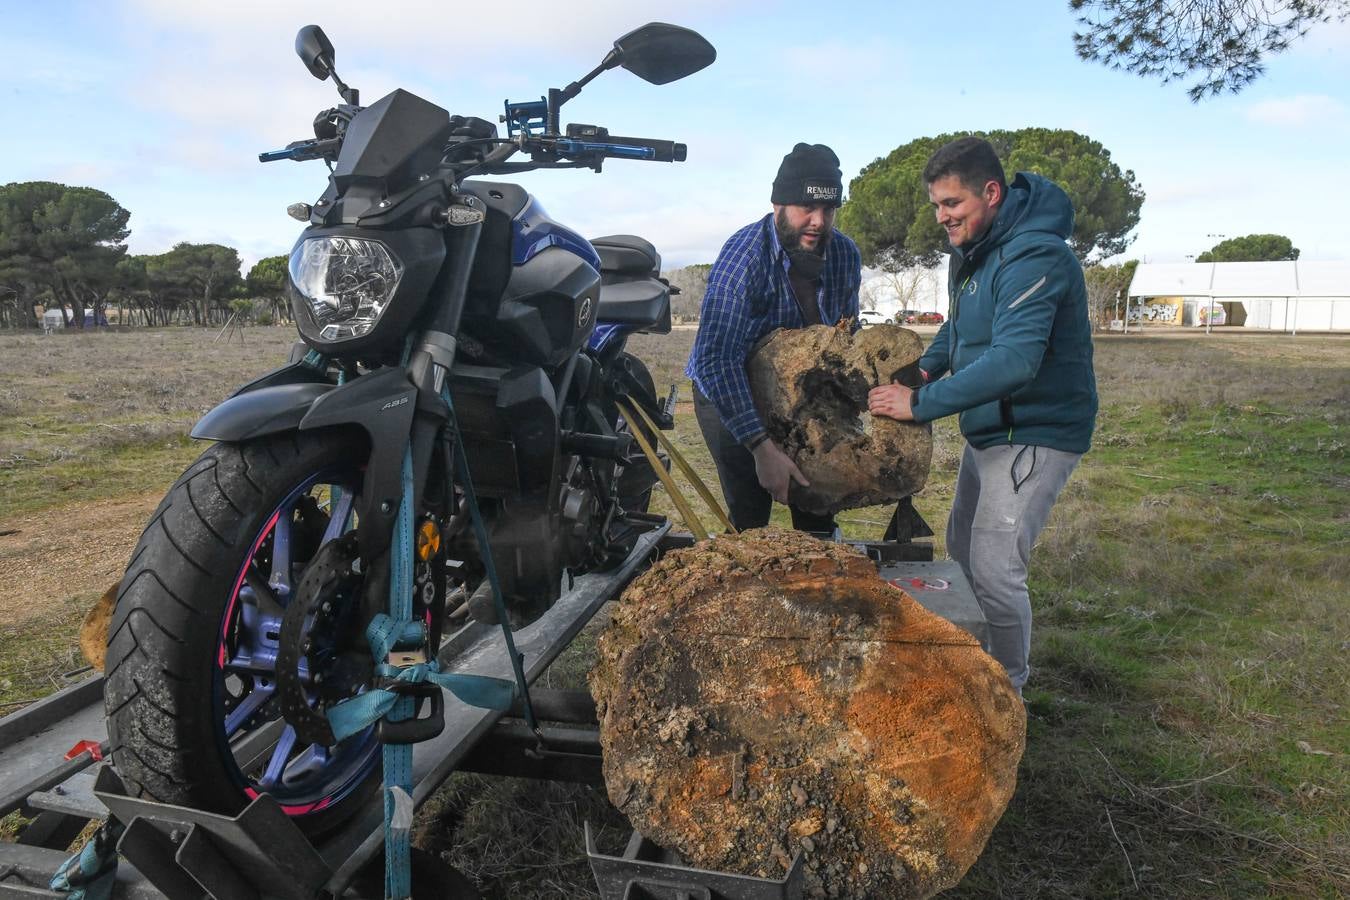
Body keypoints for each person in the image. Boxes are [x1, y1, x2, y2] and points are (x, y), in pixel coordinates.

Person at [868, 136, 1097, 695]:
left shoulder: (1035, 255)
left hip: (1034, 434)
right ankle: (971, 672)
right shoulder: (973, 252)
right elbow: (960, 328)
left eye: (952, 204)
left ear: (990, 193)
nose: (942, 217)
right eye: (936, 206)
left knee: (996, 571)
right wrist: (923, 371)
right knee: (962, 551)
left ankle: (1007, 694)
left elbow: (1015, 359)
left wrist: (920, 404)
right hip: (992, 430)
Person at [686, 142, 862, 533]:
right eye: (806, 208)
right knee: (751, 513)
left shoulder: (845, 255)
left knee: (817, 501)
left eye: (828, 210)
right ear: (778, 204)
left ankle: (819, 567)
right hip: (728, 386)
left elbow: (848, 336)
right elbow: (717, 360)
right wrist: (761, 447)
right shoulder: (744, 258)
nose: (818, 221)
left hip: (803, 389)